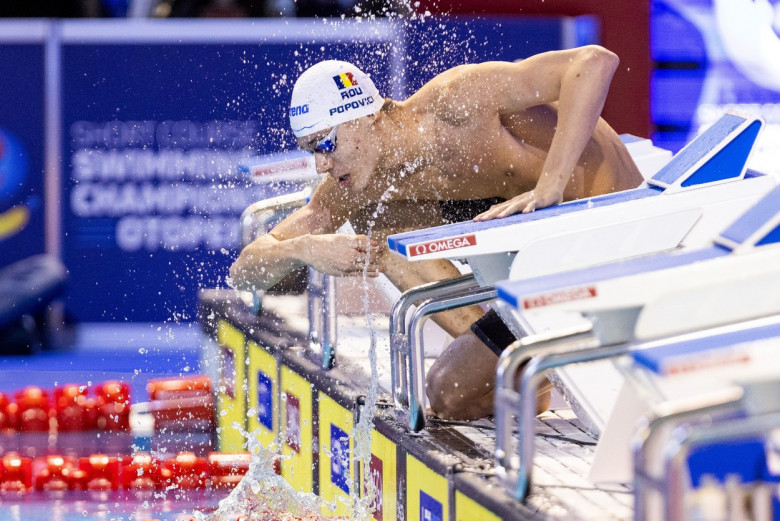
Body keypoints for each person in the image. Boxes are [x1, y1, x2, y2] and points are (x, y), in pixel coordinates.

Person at [230, 46, 645, 420]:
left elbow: (593, 64)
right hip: (545, 270)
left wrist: (549, 186)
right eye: (311, 151)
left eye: (325, 144)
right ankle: (519, 371)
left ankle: (519, 364)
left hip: (613, 234)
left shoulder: (456, 105)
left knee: (447, 388)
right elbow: (245, 274)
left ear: (366, 115)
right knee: (449, 388)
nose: (320, 165)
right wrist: (305, 249)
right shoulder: (364, 186)